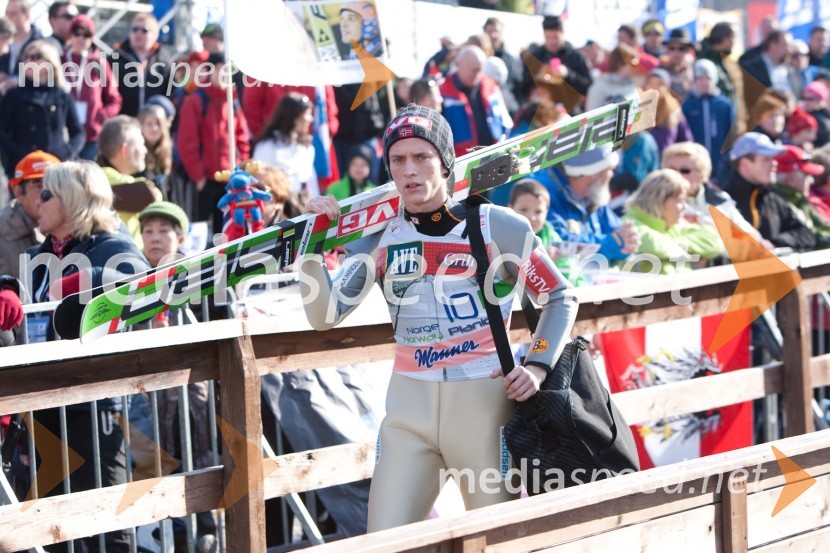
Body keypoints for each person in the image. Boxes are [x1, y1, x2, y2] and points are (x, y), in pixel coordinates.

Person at [299, 105, 577, 532]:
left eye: (422, 157)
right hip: (408, 418)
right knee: (384, 543)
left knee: (497, 542)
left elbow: (559, 295)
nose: (409, 171)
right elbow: (325, 314)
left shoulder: (496, 226)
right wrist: (312, 241)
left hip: (485, 415)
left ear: (446, 163)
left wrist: (538, 364)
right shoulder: (381, 239)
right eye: (398, 160)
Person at [20, 160, 148, 552]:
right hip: (44, 401)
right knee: (53, 520)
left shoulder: (112, 244)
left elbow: (140, 281)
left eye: (45, 194)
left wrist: (90, 277)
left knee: (108, 518)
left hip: (94, 402)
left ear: (72, 200)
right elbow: (31, 307)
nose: (35, 203)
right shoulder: (39, 254)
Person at [177, 52, 250, 233]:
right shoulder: (196, 101)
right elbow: (187, 142)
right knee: (200, 232)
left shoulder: (232, 101)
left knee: (226, 231)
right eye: (219, 69)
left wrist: (241, 169)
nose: (224, 74)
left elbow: (242, 138)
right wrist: (199, 177)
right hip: (204, 181)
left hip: (229, 179)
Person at [541, 144, 641, 262]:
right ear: (593, 173)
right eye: (608, 169)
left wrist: (628, 240)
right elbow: (557, 243)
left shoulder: (592, 194)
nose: (611, 175)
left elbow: (619, 234)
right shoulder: (543, 192)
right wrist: (615, 243)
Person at [0, 40, 84, 177]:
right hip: (24, 168)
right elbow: (2, 132)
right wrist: (21, 154)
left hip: (55, 166)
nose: (28, 61)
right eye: (25, 57)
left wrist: (64, 153)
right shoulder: (13, 95)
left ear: (49, 62)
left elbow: (78, 133)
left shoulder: (62, 95)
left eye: (35, 57)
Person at [623, 169, 723, 274]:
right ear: (658, 200)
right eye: (680, 200)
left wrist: (679, 244)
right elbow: (655, 245)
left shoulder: (672, 225)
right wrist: (683, 250)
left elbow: (715, 241)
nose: (684, 206)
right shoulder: (628, 224)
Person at [728, 132, 815, 251]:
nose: (774, 164)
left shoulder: (771, 197)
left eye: (774, 159)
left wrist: (774, 243)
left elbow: (806, 235)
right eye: (767, 159)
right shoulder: (723, 200)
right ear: (746, 164)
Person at [661, 141, 757, 238]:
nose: (676, 175)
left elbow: (749, 235)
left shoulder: (720, 200)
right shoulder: (655, 201)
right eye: (671, 170)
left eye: (685, 171)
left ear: (702, 174)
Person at [64, 14, 123, 161]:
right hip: (65, 135)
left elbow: (115, 99)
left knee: (89, 179)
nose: (81, 38)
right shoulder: (59, 61)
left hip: (92, 137)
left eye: (86, 34)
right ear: (70, 35)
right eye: (76, 33)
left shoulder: (99, 64)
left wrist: (100, 117)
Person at [97, 115, 162, 247]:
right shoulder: (98, 177)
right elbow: (152, 195)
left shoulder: (95, 175)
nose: (145, 151)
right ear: (124, 150)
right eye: (141, 144)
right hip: (123, 258)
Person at [440, 45, 512, 157]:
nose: (478, 74)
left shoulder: (491, 88)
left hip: (496, 158)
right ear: (459, 65)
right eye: (474, 70)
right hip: (463, 165)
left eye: (480, 70)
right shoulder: (443, 94)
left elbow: (506, 123)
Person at [0, 151, 58, 277]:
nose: (46, 192)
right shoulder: (2, 232)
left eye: (54, 184)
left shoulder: (72, 227)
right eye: (38, 183)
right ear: (18, 192)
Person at [520, 15, 592, 112]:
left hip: (570, 111)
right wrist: (538, 77)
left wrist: (568, 74)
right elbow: (523, 87)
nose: (551, 41)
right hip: (542, 112)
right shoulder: (535, 57)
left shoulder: (576, 57)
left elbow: (588, 87)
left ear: (562, 33)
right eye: (547, 37)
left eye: (555, 37)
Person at [253, 92, 317, 199]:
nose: (310, 119)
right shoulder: (267, 147)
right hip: (280, 206)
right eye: (307, 114)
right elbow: (261, 181)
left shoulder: (306, 148)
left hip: (305, 206)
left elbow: (312, 183)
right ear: (294, 116)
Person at [110, 13, 172, 116]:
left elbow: (172, 95)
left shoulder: (164, 61)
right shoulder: (116, 59)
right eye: (135, 29)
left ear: (155, 34)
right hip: (124, 122)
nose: (138, 33)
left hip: (153, 126)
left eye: (144, 31)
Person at [682, 59, 735, 174]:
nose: (704, 82)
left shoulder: (724, 104)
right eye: (700, 79)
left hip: (720, 161)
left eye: (708, 78)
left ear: (714, 79)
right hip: (695, 161)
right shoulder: (688, 105)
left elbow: (731, 133)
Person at [772, 145, 830, 247]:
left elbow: (822, 226)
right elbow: (811, 234)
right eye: (806, 175)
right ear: (789, 177)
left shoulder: (799, 198)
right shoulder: (779, 201)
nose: (811, 180)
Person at [697, 22, 748, 135]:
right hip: (712, 123)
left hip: (729, 120)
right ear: (726, 38)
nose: (734, 42)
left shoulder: (726, 61)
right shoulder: (703, 59)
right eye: (734, 38)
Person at [740, 30, 799, 114]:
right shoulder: (750, 69)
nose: (789, 50)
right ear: (772, 45)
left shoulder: (791, 70)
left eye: (790, 46)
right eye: (785, 45)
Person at [584, 44, 640, 112]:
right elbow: (591, 117)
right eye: (633, 64)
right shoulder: (599, 87)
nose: (635, 68)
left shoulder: (632, 86)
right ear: (620, 64)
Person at [0, 0, 44, 83]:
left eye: (13, 14)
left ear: (27, 16)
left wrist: (18, 83)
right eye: (6, 13)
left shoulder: (41, 45)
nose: (8, 18)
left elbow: (45, 78)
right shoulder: (2, 41)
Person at [138, 104, 173, 188]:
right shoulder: (137, 153)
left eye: (158, 123)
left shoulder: (169, 150)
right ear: (141, 126)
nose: (154, 128)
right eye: (149, 124)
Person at [659, 28, 696, 102]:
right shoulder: (660, 70)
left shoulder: (695, 69)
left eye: (681, 48)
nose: (676, 53)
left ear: (688, 50)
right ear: (667, 49)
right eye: (672, 48)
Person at [801, 80, 830, 147]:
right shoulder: (805, 114)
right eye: (804, 98)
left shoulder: (822, 120)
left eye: (810, 99)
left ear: (820, 100)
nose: (806, 101)